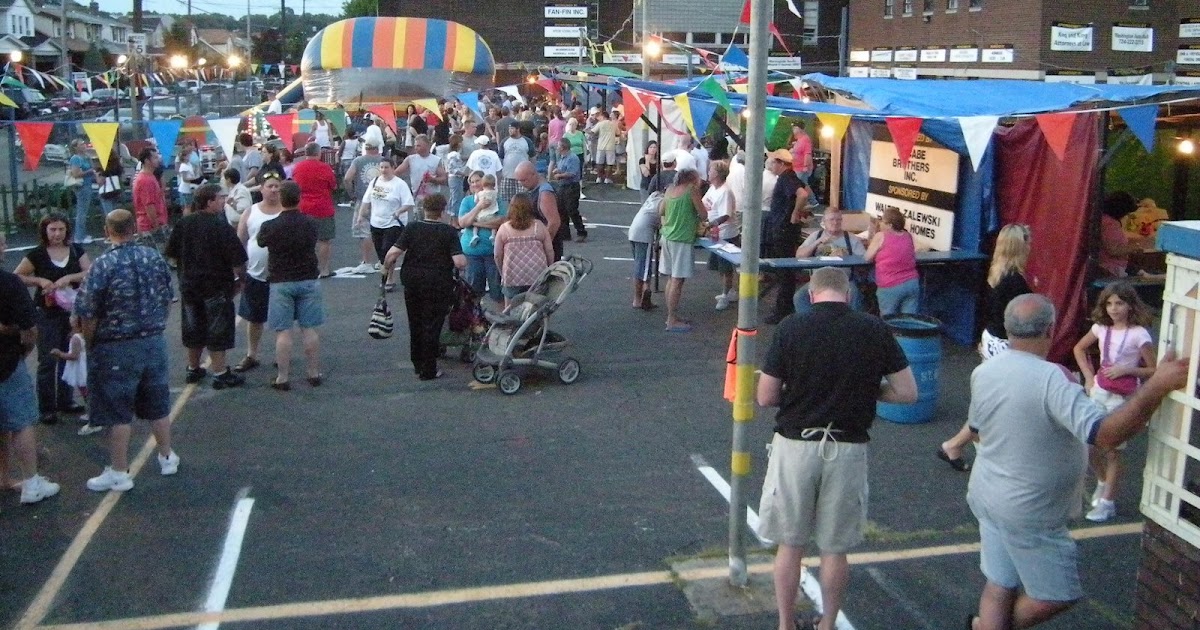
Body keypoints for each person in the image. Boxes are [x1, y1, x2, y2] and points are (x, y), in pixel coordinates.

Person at [964, 294, 1188, 630]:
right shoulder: (1053, 379)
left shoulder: (985, 372)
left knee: (1000, 584)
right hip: (1030, 509)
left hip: (987, 493)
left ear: (1008, 330)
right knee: (1055, 594)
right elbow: (1106, 434)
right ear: (1051, 329)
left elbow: (978, 431)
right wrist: (1155, 387)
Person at [757, 266, 917, 630]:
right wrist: (868, 391)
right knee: (834, 549)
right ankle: (827, 623)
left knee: (790, 544)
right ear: (848, 295)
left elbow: (766, 396)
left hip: (796, 445)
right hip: (847, 447)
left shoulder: (791, 328)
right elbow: (907, 393)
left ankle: (785, 623)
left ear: (811, 295)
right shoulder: (873, 329)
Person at [74, 210, 179, 492]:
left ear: (108, 230)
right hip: (152, 339)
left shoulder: (103, 264)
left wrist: (90, 341)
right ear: (133, 228)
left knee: (116, 411)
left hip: (116, 345)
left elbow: (88, 311)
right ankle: (167, 456)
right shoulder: (153, 257)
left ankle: (119, 471)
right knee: (157, 402)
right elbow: (169, 296)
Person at [938, 224, 1034, 472]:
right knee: (998, 403)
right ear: (1019, 246)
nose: (1031, 247)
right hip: (1004, 343)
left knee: (990, 399)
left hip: (992, 337)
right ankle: (962, 445)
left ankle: (967, 445)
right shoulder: (1015, 281)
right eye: (1028, 242)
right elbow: (1018, 318)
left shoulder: (996, 272)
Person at [1071, 282, 1156, 523]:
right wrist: (1088, 377)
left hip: (1122, 396)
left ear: (1130, 305)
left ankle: (1107, 501)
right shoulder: (1100, 328)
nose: (1114, 309)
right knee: (1088, 443)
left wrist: (1128, 369)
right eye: (1109, 303)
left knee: (1113, 450)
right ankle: (1102, 480)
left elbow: (1153, 369)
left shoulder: (1139, 334)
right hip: (1100, 389)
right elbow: (1079, 348)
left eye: (1119, 303)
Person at [164, 183, 248, 390]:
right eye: (220, 198)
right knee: (217, 330)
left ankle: (193, 368)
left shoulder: (184, 224)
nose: (224, 201)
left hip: (190, 286)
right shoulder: (221, 226)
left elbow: (172, 254)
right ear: (209, 202)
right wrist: (242, 281)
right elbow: (237, 259)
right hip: (216, 286)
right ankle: (220, 372)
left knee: (193, 329)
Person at [0, 232, 61, 504]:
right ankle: (32, 483)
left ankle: (3, 477)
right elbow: (29, 329)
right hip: (7, 362)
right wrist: (23, 350)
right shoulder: (9, 283)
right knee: (22, 423)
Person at [13, 213, 92, 425]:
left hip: (72, 313)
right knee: (48, 359)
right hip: (46, 313)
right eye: (52, 230)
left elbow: (89, 271)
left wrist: (70, 277)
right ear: (45, 232)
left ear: (67, 231)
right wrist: (39, 280)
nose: (57, 234)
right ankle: (46, 407)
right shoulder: (37, 254)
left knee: (69, 355)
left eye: (61, 229)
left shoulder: (76, 251)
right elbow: (17, 276)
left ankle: (65, 401)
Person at [383, 195, 466, 381]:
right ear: (442, 211)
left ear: (424, 209)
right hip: (438, 282)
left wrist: (385, 273)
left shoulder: (412, 227)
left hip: (412, 280)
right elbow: (459, 262)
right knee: (433, 324)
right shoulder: (448, 231)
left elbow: (392, 254)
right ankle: (429, 368)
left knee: (416, 321)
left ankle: (417, 362)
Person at [256, 181, 325, 390]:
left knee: (283, 332)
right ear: (299, 198)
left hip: (281, 280)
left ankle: (283, 377)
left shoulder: (270, 226)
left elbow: (260, 242)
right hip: (308, 279)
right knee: (309, 329)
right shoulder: (311, 223)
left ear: (280, 199)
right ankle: (313, 372)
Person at [233, 173, 284, 373]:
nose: (273, 190)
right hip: (255, 275)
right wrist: (240, 270)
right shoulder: (250, 212)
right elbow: (241, 241)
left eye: (277, 186)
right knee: (254, 318)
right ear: (261, 189)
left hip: (282, 276)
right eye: (270, 186)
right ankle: (251, 355)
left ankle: (282, 354)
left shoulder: (286, 212)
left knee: (282, 319)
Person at [762, 149, 810, 324]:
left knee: (784, 271)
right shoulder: (791, 177)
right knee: (785, 270)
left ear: (781, 163)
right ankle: (784, 306)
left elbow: (803, 194)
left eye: (773, 162)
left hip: (783, 229)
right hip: (784, 228)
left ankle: (783, 309)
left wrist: (795, 213)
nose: (771, 166)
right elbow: (807, 191)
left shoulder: (786, 178)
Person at [657, 167, 706, 333]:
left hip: (668, 236)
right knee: (678, 280)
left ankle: (671, 316)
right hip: (682, 238)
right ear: (692, 179)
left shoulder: (670, 189)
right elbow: (703, 214)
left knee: (671, 278)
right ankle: (671, 319)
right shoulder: (692, 190)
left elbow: (661, 211)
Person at [356, 157, 415, 291]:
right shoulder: (375, 181)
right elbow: (366, 200)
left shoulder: (399, 184)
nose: (383, 170)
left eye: (386, 167)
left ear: (393, 168)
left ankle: (389, 278)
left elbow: (408, 203)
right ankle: (385, 272)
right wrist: (361, 215)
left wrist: (399, 211)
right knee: (380, 252)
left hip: (393, 223)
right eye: (381, 167)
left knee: (388, 250)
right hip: (376, 221)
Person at [792, 208, 867, 314]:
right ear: (824, 222)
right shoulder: (816, 236)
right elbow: (799, 255)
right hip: (819, 280)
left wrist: (846, 257)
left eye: (838, 220)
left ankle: (853, 325)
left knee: (854, 295)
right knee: (799, 297)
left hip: (843, 280)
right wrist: (816, 243)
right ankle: (810, 324)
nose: (835, 222)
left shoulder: (850, 238)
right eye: (831, 219)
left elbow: (864, 260)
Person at [494, 193, 553, 309]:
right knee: (537, 307)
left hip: (512, 274)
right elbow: (549, 250)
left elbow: (497, 254)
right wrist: (549, 269)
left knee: (510, 308)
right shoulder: (539, 226)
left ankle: (513, 326)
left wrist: (502, 272)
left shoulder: (504, 228)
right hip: (537, 274)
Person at [291, 142, 338, 278]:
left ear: (305, 153)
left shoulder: (298, 168)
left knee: (304, 240)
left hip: (303, 207)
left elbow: (294, 187)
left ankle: (305, 268)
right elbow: (333, 186)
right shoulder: (325, 168)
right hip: (323, 207)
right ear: (319, 153)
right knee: (324, 240)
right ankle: (324, 269)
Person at [458, 171, 506, 304]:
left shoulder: (497, 199)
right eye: (471, 182)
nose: (474, 184)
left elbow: (501, 221)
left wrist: (475, 223)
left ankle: (504, 322)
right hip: (472, 254)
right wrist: (478, 207)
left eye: (477, 180)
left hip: (493, 252)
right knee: (473, 292)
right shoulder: (467, 201)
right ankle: (476, 321)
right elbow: (462, 223)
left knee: (498, 292)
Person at [865, 206, 920, 316]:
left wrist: (873, 235)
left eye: (882, 221)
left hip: (890, 284)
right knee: (909, 320)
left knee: (888, 321)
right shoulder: (908, 236)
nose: (880, 223)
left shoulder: (881, 236)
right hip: (912, 283)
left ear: (889, 225)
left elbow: (867, 258)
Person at [51, 315, 100, 435]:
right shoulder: (85, 335)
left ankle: (94, 420)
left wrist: (59, 353)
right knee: (88, 393)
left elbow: (74, 356)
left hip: (80, 369)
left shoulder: (76, 338)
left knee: (86, 394)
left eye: (73, 319)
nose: (70, 320)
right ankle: (91, 414)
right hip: (86, 366)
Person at [344, 134, 385, 274]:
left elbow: (347, 178)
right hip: (382, 198)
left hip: (363, 200)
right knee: (382, 230)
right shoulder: (383, 161)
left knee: (364, 232)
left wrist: (352, 194)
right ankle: (382, 260)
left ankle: (367, 261)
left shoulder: (358, 160)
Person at [703, 160, 738, 311]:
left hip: (726, 234)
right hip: (715, 233)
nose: (708, 172)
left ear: (717, 174)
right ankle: (728, 291)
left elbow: (725, 215)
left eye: (710, 170)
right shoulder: (712, 188)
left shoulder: (725, 192)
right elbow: (705, 204)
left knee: (726, 268)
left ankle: (726, 294)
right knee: (719, 267)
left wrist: (710, 224)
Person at [515, 161, 566, 262]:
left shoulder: (545, 193)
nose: (521, 184)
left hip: (545, 247)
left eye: (524, 180)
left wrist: (543, 247)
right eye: (519, 180)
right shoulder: (538, 188)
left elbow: (554, 223)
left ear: (533, 175)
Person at [1098, 191, 1147, 278]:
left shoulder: (1104, 220)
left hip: (1111, 266)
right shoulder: (1110, 224)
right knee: (1143, 276)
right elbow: (1113, 250)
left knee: (1141, 272)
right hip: (1112, 269)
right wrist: (1134, 248)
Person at [627, 185, 661, 310]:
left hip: (634, 231)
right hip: (644, 235)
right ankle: (639, 298)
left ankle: (644, 293)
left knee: (640, 265)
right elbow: (664, 223)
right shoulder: (663, 203)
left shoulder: (653, 197)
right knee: (643, 268)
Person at [550, 137, 585, 243]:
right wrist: (559, 170)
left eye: (558, 146)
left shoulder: (572, 158)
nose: (557, 147)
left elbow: (572, 173)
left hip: (571, 186)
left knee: (572, 210)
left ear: (563, 147)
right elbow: (566, 169)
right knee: (561, 209)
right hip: (563, 186)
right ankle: (565, 234)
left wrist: (560, 175)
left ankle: (581, 232)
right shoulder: (562, 158)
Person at [397, 134, 448, 207]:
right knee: (418, 216)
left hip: (432, 198)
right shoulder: (410, 159)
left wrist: (432, 179)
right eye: (415, 146)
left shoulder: (436, 160)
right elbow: (397, 172)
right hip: (417, 196)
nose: (416, 148)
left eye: (418, 146)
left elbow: (444, 179)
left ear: (427, 146)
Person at [67, 139, 97, 243]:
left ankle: (82, 234)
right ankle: (79, 237)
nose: (84, 146)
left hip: (87, 185)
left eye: (84, 144)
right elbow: (76, 174)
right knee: (81, 212)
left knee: (84, 211)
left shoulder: (85, 157)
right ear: (76, 147)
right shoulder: (76, 158)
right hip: (81, 186)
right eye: (81, 144)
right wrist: (90, 171)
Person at [500, 124, 532, 204]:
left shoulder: (527, 141)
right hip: (507, 175)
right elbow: (500, 157)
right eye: (509, 129)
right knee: (506, 200)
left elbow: (533, 157)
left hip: (523, 176)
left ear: (518, 129)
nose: (510, 130)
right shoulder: (504, 141)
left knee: (523, 199)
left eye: (512, 128)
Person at [591, 110, 618, 184]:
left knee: (599, 162)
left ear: (603, 116)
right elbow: (618, 133)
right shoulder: (613, 124)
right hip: (610, 146)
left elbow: (592, 132)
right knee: (610, 163)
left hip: (601, 146)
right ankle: (607, 178)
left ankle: (599, 177)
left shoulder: (600, 124)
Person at [97, 146, 123, 215]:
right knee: (115, 212)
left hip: (106, 193)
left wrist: (96, 175)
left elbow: (100, 181)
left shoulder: (103, 167)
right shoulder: (117, 165)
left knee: (109, 214)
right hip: (116, 190)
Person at [176, 145, 202, 213]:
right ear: (184, 157)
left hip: (190, 188)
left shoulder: (189, 164)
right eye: (188, 156)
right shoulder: (183, 166)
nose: (189, 157)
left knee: (191, 205)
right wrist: (194, 179)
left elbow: (192, 173)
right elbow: (184, 179)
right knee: (188, 207)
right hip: (185, 190)